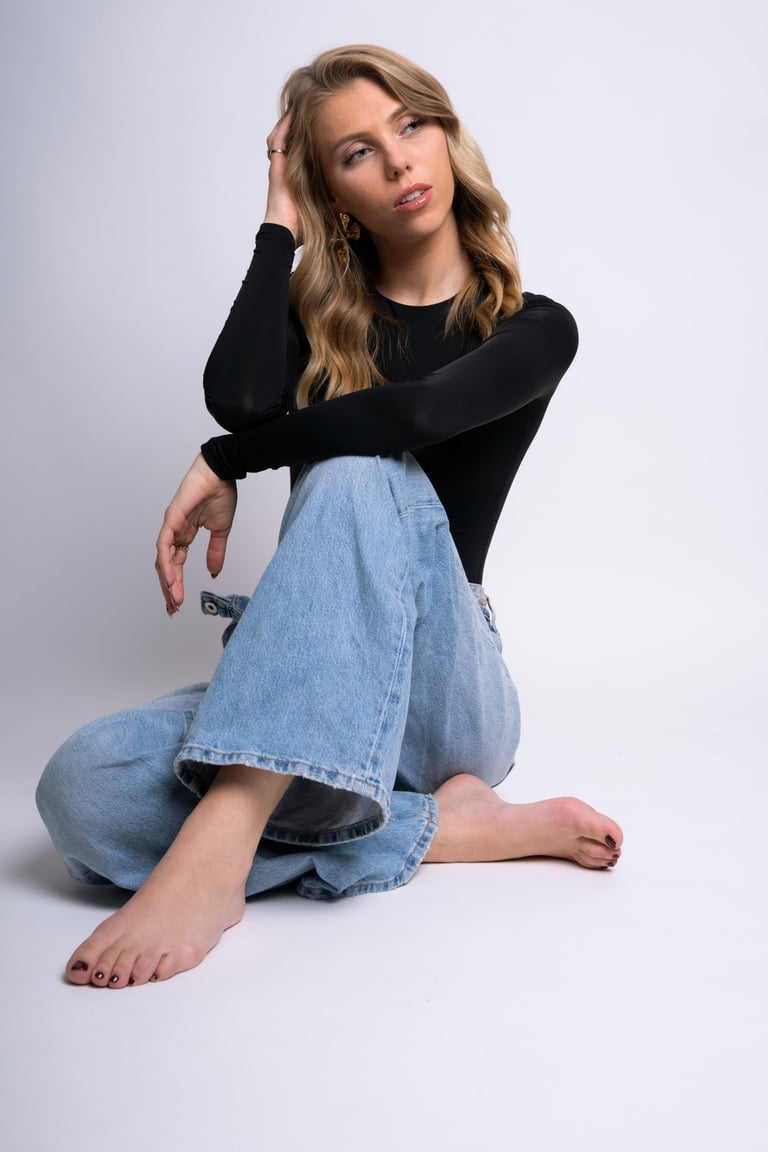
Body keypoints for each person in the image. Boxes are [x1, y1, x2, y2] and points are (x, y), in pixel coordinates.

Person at [36, 44, 623, 989]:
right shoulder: (319, 323)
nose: (396, 161)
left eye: (410, 125)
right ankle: (445, 829)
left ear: (445, 135)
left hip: (446, 701)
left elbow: (414, 413)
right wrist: (281, 223)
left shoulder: (533, 326)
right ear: (333, 191)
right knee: (81, 788)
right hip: (315, 681)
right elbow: (238, 398)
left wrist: (225, 463)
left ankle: (225, 836)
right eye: (355, 153)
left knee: (355, 468)